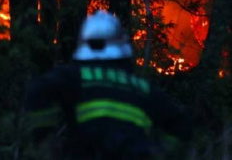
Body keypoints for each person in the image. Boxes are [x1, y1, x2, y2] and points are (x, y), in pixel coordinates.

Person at [24, 10, 190, 159]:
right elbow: (181, 124)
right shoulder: (141, 87)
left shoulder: (74, 77)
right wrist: (159, 153)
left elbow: (37, 92)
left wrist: (44, 141)